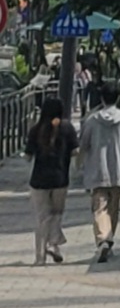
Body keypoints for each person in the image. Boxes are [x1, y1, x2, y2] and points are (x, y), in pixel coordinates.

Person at [78, 82, 120, 262]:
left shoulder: (92, 120)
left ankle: (103, 240)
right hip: (118, 172)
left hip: (97, 171)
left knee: (99, 209)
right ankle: (108, 240)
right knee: (113, 210)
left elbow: (83, 144)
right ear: (118, 98)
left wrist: (79, 164)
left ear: (102, 99)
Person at [25, 99, 78, 265]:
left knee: (43, 218)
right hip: (60, 179)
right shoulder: (67, 128)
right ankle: (54, 245)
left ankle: (40, 256)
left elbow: (28, 156)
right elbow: (75, 151)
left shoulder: (36, 129)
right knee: (56, 215)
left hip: (38, 180)